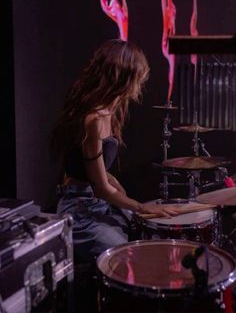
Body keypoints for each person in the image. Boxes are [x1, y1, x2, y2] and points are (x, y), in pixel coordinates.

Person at [50, 39, 179, 263]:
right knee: (125, 253)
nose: (140, 85)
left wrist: (125, 198)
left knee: (144, 231)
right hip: (78, 210)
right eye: (138, 78)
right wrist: (140, 206)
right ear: (123, 78)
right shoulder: (94, 119)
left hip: (97, 202)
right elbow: (100, 188)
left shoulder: (112, 110)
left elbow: (97, 174)